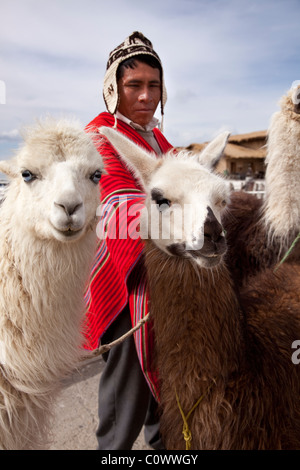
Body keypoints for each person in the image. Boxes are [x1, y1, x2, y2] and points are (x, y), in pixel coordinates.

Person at [85, 31, 173, 450]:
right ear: (112, 88)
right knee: (127, 398)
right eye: (133, 85)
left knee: (166, 400)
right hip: (126, 284)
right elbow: (119, 206)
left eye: (153, 85)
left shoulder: (157, 140)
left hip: (165, 275)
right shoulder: (100, 137)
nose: (145, 96)